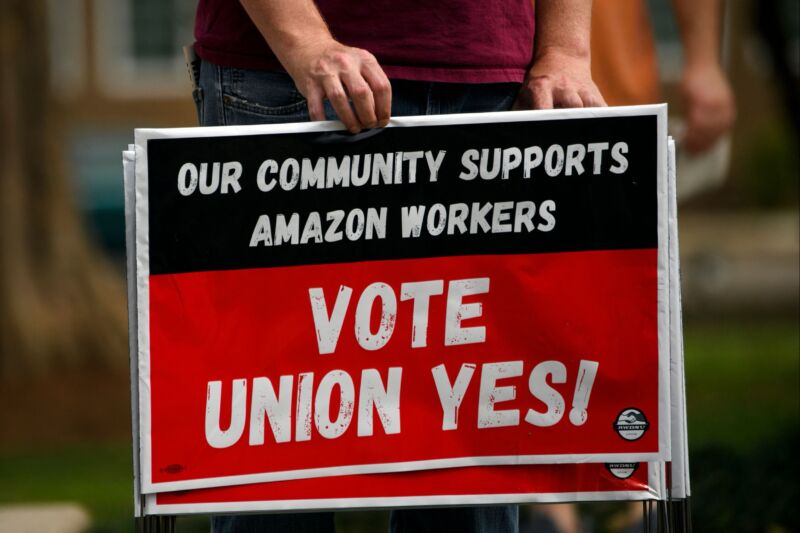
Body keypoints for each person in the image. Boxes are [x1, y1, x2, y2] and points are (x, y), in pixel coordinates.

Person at [190, 1, 604, 532]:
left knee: (466, 421)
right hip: (289, 73)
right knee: (277, 429)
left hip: (490, 79)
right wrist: (307, 43)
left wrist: (565, 48)